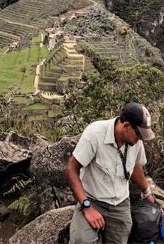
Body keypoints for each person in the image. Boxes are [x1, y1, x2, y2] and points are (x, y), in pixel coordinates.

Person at [66, 103, 157, 244]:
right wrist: (87, 207)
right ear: (126, 126)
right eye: (139, 134)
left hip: (120, 203)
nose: (141, 139)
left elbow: (135, 167)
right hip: (93, 199)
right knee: (81, 240)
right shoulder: (95, 134)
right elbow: (71, 170)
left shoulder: (134, 142)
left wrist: (146, 191)